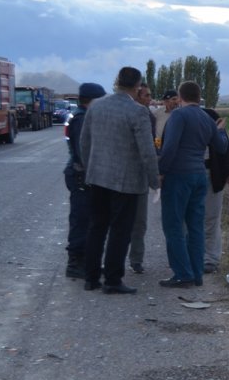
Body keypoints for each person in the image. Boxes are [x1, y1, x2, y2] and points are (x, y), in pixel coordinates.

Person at [80, 67, 160, 294]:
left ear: (116, 82)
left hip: (97, 178)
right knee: (120, 231)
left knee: (96, 227)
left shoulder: (96, 106)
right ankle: (113, 280)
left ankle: (91, 278)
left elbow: (84, 142)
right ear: (138, 86)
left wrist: (90, 169)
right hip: (126, 182)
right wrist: (155, 182)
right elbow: (147, 150)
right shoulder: (137, 112)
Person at [158, 81, 229, 288]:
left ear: (180, 97)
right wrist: (221, 131)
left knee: (173, 226)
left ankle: (182, 273)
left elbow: (169, 148)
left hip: (179, 176)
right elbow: (222, 147)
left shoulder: (179, 116)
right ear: (199, 97)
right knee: (195, 226)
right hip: (199, 176)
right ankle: (196, 273)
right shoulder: (207, 118)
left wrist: (161, 171)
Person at [63, 82, 107, 279]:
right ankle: (76, 263)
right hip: (82, 177)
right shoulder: (81, 119)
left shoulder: (83, 116)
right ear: (93, 100)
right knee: (81, 220)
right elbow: (85, 154)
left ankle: (88, 263)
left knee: (87, 220)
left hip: (81, 175)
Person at [201, 108, 229, 273]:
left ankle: (210, 259)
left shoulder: (213, 122)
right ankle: (195, 256)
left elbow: (226, 153)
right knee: (192, 219)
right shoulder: (183, 120)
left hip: (213, 176)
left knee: (211, 219)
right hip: (190, 175)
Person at [128, 82, 157, 274]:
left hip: (139, 177)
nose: (149, 99)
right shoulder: (132, 114)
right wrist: (155, 180)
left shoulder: (150, 117)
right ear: (137, 97)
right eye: (146, 96)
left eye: (149, 95)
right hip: (129, 176)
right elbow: (147, 151)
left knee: (140, 222)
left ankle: (136, 259)